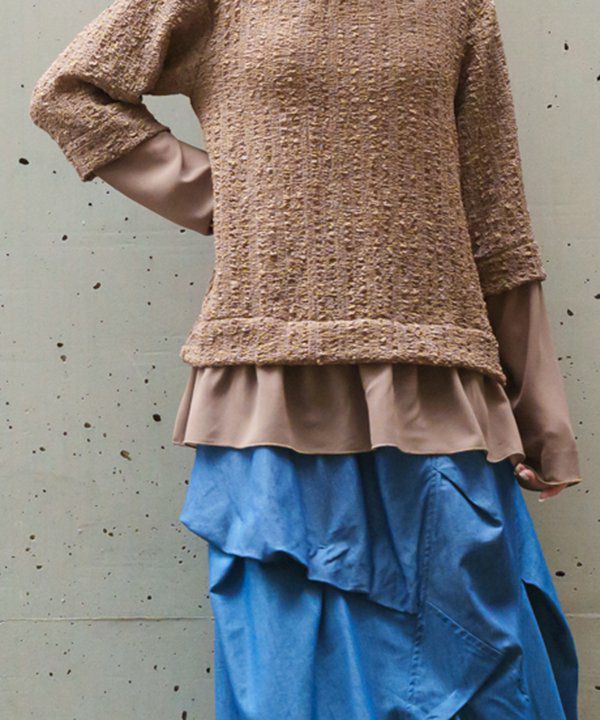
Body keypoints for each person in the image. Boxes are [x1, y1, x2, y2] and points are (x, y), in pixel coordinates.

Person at [29, 0, 583, 717]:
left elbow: (495, 214)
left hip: (434, 387)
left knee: (476, 666)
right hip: (270, 398)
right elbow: (71, 93)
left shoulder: (459, 10)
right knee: (291, 680)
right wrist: (234, 196)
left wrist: (543, 413)